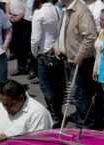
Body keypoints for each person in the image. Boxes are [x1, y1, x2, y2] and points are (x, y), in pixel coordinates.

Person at [54, 0, 97, 129]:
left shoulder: (81, 10)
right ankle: (80, 125)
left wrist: (80, 55)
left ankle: (86, 128)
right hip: (68, 59)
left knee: (81, 96)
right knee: (76, 96)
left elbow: (90, 35)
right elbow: (62, 32)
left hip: (79, 61)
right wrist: (57, 45)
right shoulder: (65, 8)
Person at [31, 0, 65, 128]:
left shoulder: (39, 12)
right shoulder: (58, 10)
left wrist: (34, 52)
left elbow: (35, 38)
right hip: (58, 51)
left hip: (44, 52)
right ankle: (58, 112)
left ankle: (55, 115)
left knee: (46, 85)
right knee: (57, 84)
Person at [6, 0, 28, 75]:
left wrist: (21, 16)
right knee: (17, 45)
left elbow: (31, 5)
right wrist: (8, 13)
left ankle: (31, 68)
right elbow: (8, 3)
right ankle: (21, 67)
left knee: (26, 45)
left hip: (25, 18)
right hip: (13, 18)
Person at [0, 7, 12, 84]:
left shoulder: (0, 12)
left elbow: (8, 28)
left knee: (2, 84)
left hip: (0, 54)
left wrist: (6, 42)